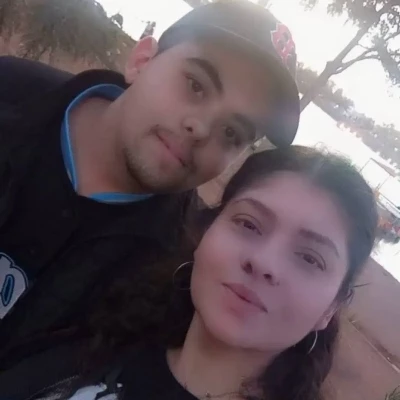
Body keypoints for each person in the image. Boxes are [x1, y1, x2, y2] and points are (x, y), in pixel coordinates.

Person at [0, 0, 300, 366]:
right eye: (196, 85)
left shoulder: (173, 274)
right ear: (142, 60)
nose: (201, 128)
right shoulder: (9, 91)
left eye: (231, 132)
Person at [0, 146, 378, 400]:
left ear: (331, 308)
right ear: (206, 233)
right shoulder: (92, 339)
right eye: (248, 224)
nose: (264, 263)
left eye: (310, 259)